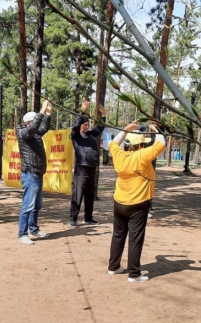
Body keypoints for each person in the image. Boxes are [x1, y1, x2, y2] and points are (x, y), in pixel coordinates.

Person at [107, 123, 166, 283]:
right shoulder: (142, 156)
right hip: (138, 204)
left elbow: (112, 144)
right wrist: (156, 130)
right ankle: (134, 274)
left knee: (118, 235)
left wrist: (126, 129)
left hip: (119, 201)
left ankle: (113, 266)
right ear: (140, 144)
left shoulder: (119, 155)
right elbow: (162, 143)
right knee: (135, 239)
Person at [16, 100, 52, 245]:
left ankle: (34, 229)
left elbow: (44, 128)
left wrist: (48, 114)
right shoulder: (23, 133)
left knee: (37, 206)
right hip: (30, 174)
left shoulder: (35, 134)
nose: (36, 126)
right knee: (28, 206)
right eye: (34, 122)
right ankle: (22, 234)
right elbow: (34, 128)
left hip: (37, 174)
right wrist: (42, 110)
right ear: (28, 123)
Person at [68, 99, 106, 227]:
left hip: (92, 167)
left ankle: (88, 217)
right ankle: (73, 218)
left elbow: (101, 127)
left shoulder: (91, 135)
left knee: (90, 194)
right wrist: (82, 110)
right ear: (80, 126)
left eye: (88, 124)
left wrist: (103, 114)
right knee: (78, 194)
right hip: (81, 168)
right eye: (84, 124)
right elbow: (74, 125)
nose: (87, 126)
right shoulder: (75, 135)